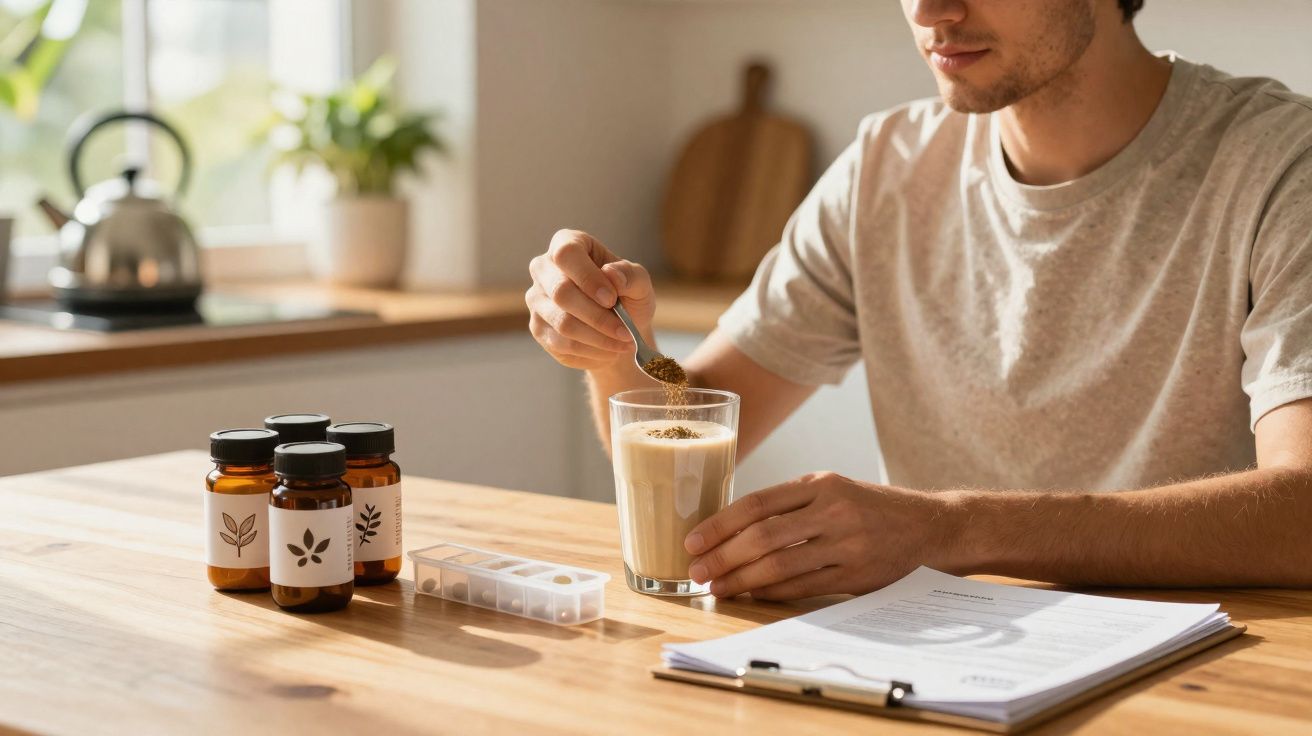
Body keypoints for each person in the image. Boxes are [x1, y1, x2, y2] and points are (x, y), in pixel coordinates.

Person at [525, 0, 1312, 599]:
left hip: (1206, 677)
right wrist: (612, 345)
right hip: (936, 663)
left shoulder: (1281, 165)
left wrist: (951, 529)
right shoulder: (886, 167)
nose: (930, 10)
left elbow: (1303, 512)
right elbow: (690, 414)